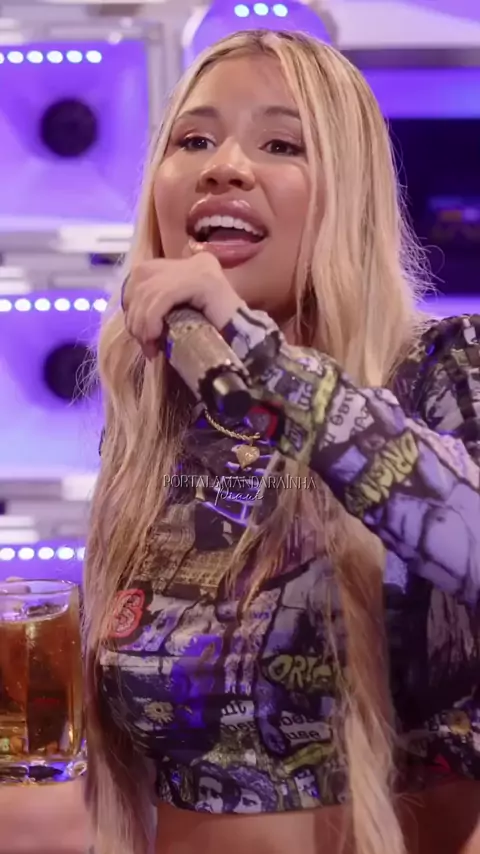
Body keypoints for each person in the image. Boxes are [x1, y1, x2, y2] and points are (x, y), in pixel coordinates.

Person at [83, 28, 480, 854]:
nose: (224, 166)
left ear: (351, 197)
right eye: (194, 140)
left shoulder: (438, 370)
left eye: (281, 144)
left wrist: (257, 351)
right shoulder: (159, 431)